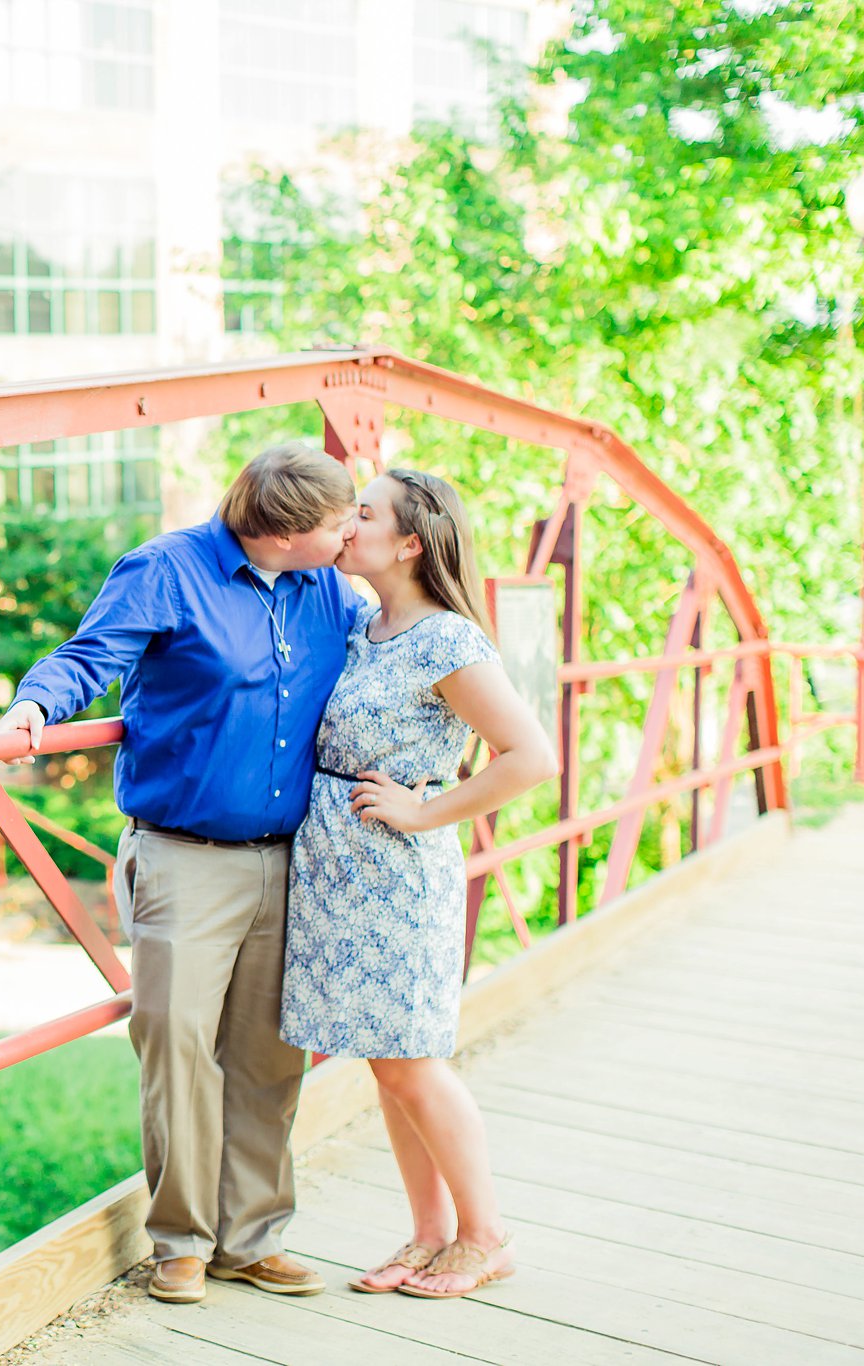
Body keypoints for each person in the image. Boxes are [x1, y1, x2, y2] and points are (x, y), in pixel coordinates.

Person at [0, 443, 360, 1304]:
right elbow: (91, 657)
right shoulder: (166, 570)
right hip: (184, 857)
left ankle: (252, 1238)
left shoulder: (331, 589)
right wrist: (33, 705)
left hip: (289, 858)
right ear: (283, 533)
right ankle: (182, 1243)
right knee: (177, 1048)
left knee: (270, 1060)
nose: (352, 535)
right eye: (339, 524)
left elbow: (392, 663)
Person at [279, 468, 557, 1300]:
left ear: (409, 542)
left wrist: (424, 813)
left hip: (397, 875)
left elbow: (532, 759)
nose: (345, 521)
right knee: (386, 1061)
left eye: (362, 512)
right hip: (342, 873)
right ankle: (430, 1235)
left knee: (413, 1062)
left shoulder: (447, 641)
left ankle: (484, 1235)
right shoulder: (366, 626)